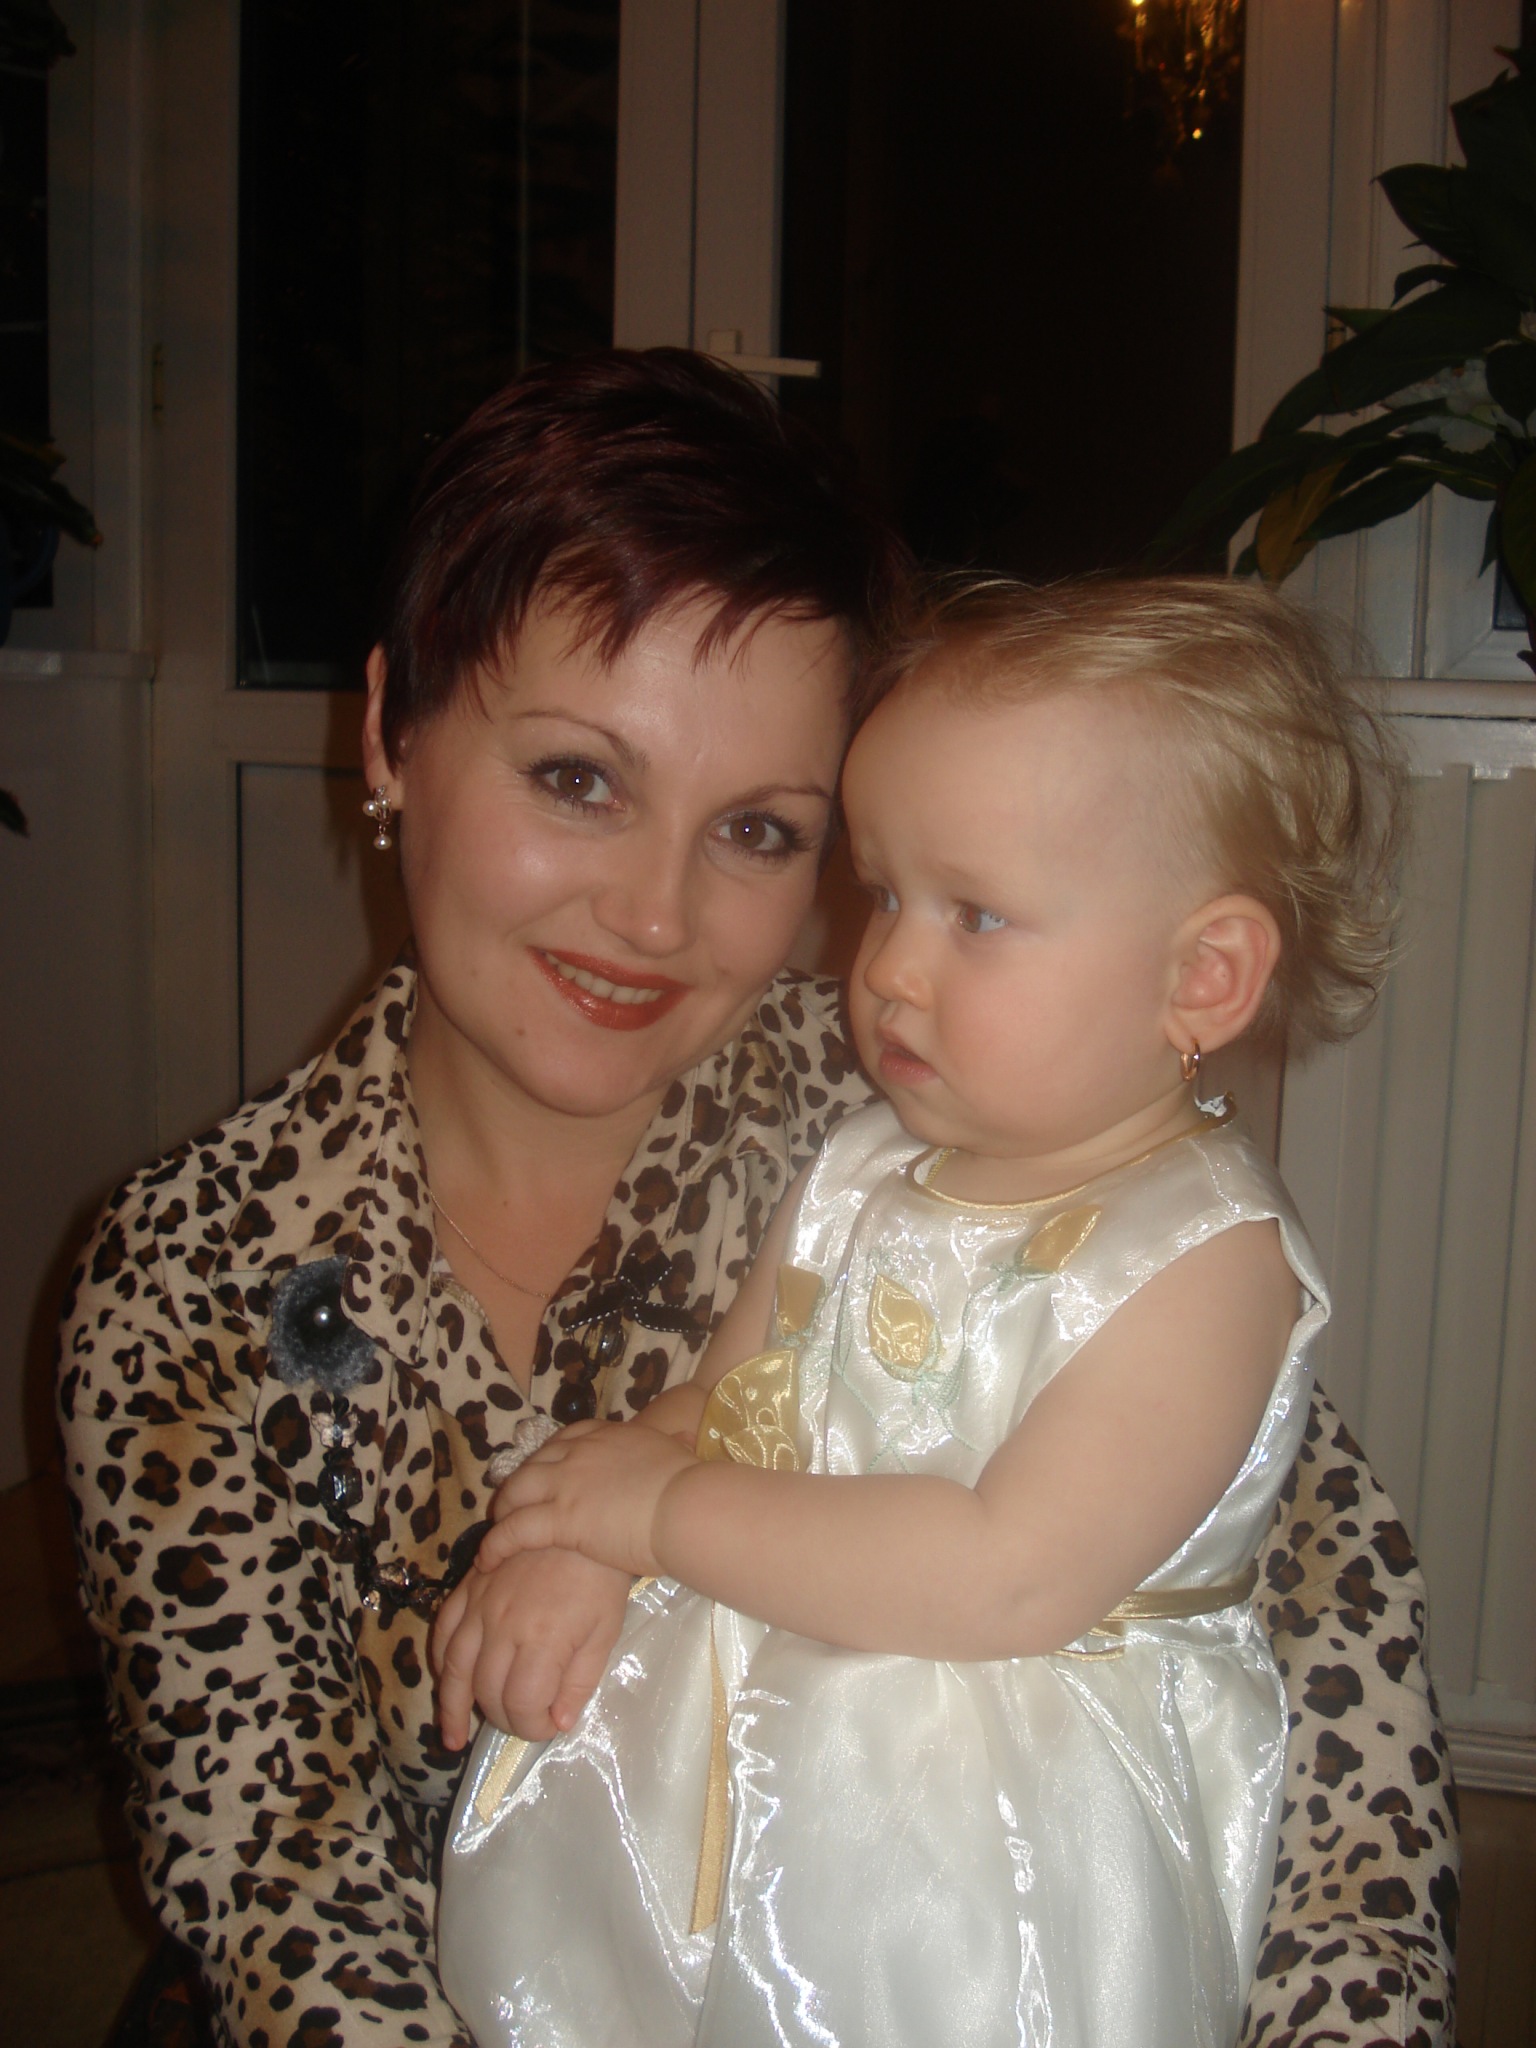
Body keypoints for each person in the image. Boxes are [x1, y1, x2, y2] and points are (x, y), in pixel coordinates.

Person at [56, 353, 1454, 2048]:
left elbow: (1335, 1657)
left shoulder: (957, 1129)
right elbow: (277, 1865)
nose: (654, 915)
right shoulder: (192, 1273)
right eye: (578, 778)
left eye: (762, 831)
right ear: (390, 734)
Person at [435, 578, 1451, 2048]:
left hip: (996, 1848)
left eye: (975, 914)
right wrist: (581, 1541)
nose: (890, 969)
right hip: (746, 1750)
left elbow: (1003, 1579)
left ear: (1203, 977)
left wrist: (654, 1519)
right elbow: (731, 1406)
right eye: (886, 895)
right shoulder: (861, 1165)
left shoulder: (1206, 1260)